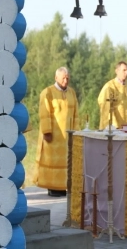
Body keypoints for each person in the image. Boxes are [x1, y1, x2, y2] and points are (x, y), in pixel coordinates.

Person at [33, 67, 79, 197]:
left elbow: (76, 114)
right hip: (53, 136)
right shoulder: (47, 92)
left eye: (67, 78)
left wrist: (77, 131)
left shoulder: (72, 93)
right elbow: (44, 113)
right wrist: (47, 131)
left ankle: (64, 186)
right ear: (56, 78)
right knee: (51, 162)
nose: (66, 80)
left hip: (68, 135)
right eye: (63, 77)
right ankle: (52, 188)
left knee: (67, 161)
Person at [97, 61, 127, 129]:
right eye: (124, 70)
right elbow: (105, 106)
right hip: (116, 127)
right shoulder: (109, 86)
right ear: (117, 71)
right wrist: (114, 125)